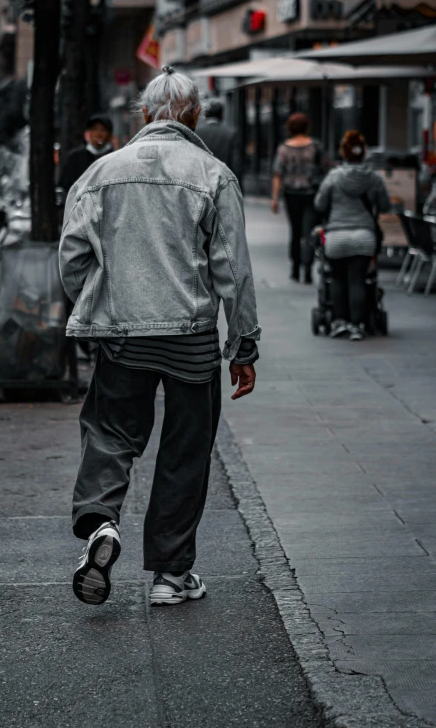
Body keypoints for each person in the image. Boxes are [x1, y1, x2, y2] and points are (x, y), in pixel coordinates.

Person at [59, 65, 260, 608]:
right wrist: (243, 345)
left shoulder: (101, 172)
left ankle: (101, 523)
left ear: (144, 114)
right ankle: (171, 576)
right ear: (194, 115)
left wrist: (94, 310)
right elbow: (233, 271)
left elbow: (73, 257)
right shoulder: (213, 174)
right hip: (191, 336)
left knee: (110, 431)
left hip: (123, 332)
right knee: (185, 450)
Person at [315, 130, 391, 341]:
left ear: (344, 152)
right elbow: (385, 205)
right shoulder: (374, 177)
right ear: (363, 153)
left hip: (336, 237)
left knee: (337, 279)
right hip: (364, 237)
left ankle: (339, 322)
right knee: (358, 280)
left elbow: (319, 204)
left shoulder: (333, 176)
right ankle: (357, 325)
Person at [271, 113, 329, 283]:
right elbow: (326, 168)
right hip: (312, 194)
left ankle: (295, 268)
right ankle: (308, 270)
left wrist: (275, 198)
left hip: (291, 195)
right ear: (306, 127)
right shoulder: (316, 146)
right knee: (309, 232)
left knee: (295, 232)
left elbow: (278, 174)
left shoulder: (283, 148)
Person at [57, 114, 114, 196]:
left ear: (109, 135)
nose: (98, 134)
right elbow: (64, 186)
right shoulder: (75, 157)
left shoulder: (113, 158)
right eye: (94, 129)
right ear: (89, 133)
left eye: (103, 130)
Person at [196, 99, 243, 186]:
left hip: (202, 184)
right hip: (224, 185)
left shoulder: (197, 133)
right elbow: (236, 164)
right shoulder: (231, 134)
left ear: (205, 115)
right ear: (222, 116)